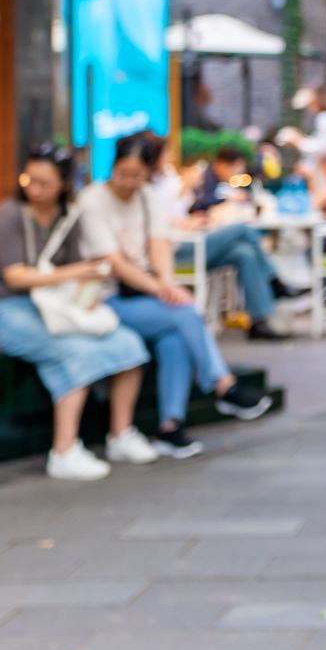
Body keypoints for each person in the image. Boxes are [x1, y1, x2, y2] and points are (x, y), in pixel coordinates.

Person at [81, 132, 274, 458]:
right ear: (113, 166)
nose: (128, 182)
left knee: (175, 336)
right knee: (184, 314)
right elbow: (112, 262)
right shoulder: (92, 200)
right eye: (123, 173)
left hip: (142, 295)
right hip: (103, 298)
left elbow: (158, 245)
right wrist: (163, 289)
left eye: (137, 175)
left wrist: (166, 284)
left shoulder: (147, 198)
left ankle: (170, 426)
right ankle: (221, 384)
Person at [0, 144, 156, 481]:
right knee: (73, 353)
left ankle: (121, 434)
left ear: (63, 184)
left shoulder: (70, 216)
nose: (33, 189)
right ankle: (63, 450)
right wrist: (75, 274)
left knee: (128, 344)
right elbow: (14, 276)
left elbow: (77, 269)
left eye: (44, 183)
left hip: (59, 307)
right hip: (12, 308)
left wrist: (86, 289)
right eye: (29, 180)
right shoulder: (9, 214)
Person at [178, 144, 302, 340]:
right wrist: (188, 219)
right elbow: (191, 209)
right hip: (184, 246)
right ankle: (274, 281)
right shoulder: (199, 179)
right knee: (243, 231)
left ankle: (259, 321)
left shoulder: (192, 181)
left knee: (245, 253)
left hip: (200, 238)